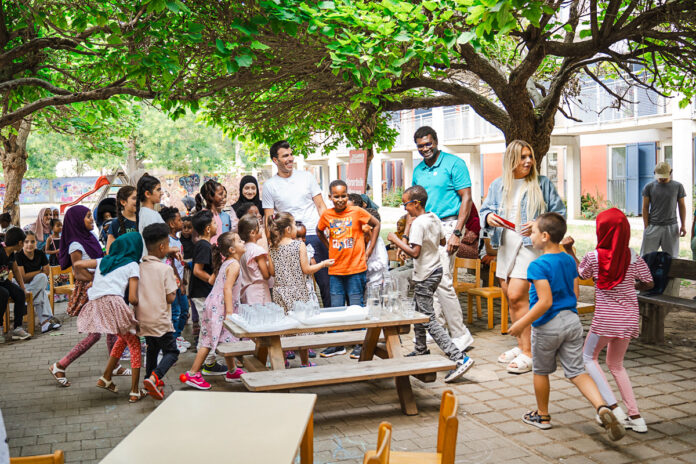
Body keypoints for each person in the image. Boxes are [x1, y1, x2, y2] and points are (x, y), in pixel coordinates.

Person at [507, 212, 625, 441]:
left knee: (541, 370)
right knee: (577, 371)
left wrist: (521, 323)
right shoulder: (568, 260)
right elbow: (575, 292)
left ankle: (542, 416)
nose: (529, 235)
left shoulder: (537, 265)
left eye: (532, 232)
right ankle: (602, 408)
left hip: (547, 325)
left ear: (544, 236)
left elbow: (545, 302)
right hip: (571, 321)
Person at [564, 208, 654, 433]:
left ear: (601, 231)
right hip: (629, 320)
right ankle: (636, 417)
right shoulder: (633, 256)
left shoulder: (594, 257)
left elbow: (581, 274)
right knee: (617, 365)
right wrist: (632, 285)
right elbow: (649, 282)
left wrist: (568, 249)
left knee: (588, 358)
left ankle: (614, 409)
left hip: (605, 321)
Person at [480, 139, 566, 374]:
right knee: (511, 297)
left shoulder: (542, 184)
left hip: (531, 247)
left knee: (519, 295)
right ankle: (522, 345)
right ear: (511, 160)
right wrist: (488, 218)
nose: (528, 161)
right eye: (523, 157)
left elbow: (559, 213)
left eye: (530, 156)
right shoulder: (498, 185)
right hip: (505, 245)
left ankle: (530, 353)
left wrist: (539, 223)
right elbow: (484, 209)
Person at [388, 185, 474, 383]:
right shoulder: (434, 217)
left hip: (426, 274)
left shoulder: (418, 224)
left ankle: (459, 357)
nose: (405, 209)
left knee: (427, 319)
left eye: (406, 205)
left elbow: (414, 253)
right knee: (419, 312)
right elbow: (443, 242)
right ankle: (420, 350)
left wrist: (395, 240)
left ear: (416, 203)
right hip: (436, 270)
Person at [410, 126, 475, 353]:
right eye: (420, 146)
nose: (425, 149)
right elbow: (413, 204)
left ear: (436, 142)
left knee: (443, 280)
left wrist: (458, 232)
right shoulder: (418, 170)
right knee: (430, 279)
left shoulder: (454, 163)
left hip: (448, 225)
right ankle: (435, 328)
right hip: (426, 225)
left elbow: (466, 198)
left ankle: (461, 334)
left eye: (428, 144)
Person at [48, 206, 129, 387]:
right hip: (90, 291)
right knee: (95, 335)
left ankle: (114, 365)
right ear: (77, 221)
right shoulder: (76, 244)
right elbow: (78, 271)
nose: (91, 219)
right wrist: (97, 279)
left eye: (90, 216)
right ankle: (60, 365)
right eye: (86, 217)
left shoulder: (89, 237)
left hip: (99, 287)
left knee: (111, 328)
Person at [263, 140, 331, 308]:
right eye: (285, 156)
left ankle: (333, 327)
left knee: (325, 281)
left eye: (291, 154)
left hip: (314, 234)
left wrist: (330, 230)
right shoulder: (270, 185)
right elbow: (269, 219)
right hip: (288, 239)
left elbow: (321, 206)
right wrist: (271, 243)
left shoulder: (307, 177)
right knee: (293, 283)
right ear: (275, 160)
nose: (290, 159)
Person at [77, 232, 144, 403]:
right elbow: (132, 298)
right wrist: (137, 311)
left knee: (122, 339)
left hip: (97, 304)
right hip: (114, 303)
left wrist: (94, 279)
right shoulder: (132, 264)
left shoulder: (102, 262)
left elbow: (78, 264)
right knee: (135, 344)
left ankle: (106, 377)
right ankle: (135, 391)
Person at [317, 180, 380, 358]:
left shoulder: (357, 212)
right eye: (336, 196)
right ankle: (337, 344)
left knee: (356, 307)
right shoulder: (327, 215)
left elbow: (376, 225)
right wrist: (328, 245)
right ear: (330, 197)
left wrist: (369, 250)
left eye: (343, 195)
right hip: (336, 269)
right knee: (336, 308)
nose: (340, 199)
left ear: (347, 195)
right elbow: (319, 231)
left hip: (356, 267)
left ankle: (361, 343)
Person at [179, 232, 247, 390]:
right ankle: (193, 373)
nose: (243, 241)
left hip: (216, 305)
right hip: (220, 307)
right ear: (231, 249)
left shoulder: (229, 262)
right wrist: (230, 313)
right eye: (239, 240)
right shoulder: (234, 265)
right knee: (209, 340)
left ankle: (231, 371)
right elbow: (227, 288)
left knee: (226, 337)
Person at [137, 223, 179, 400]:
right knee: (172, 352)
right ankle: (155, 377)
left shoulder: (138, 267)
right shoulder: (165, 269)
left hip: (143, 319)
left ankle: (147, 381)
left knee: (152, 349)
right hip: (160, 320)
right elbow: (170, 298)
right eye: (168, 244)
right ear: (162, 247)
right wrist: (175, 287)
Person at [268, 212, 334, 314]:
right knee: (302, 324)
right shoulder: (299, 245)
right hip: (298, 292)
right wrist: (323, 264)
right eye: (294, 224)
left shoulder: (272, 248)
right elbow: (306, 270)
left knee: (286, 324)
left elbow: (272, 272)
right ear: (288, 229)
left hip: (279, 293)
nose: (295, 227)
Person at [188, 210, 227, 375]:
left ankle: (209, 361)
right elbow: (197, 270)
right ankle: (208, 364)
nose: (216, 224)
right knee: (210, 327)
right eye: (213, 223)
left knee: (209, 327)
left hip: (203, 292)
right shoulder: (204, 246)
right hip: (202, 293)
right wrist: (211, 279)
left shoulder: (205, 244)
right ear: (207, 229)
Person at [15, 231, 60, 333]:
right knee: (42, 289)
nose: (29, 244)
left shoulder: (40, 253)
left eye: (32, 241)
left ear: (36, 242)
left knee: (42, 278)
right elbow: (23, 277)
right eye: (26, 242)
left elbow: (47, 272)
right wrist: (39, 272)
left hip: (35, 285)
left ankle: (27, 301)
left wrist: (38, 274)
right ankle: (45, 323)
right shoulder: (19, 255)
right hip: (21, 285)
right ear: (22, 243)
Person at [160, 206, 190, 353]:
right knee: (176, 311)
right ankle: (173, 339)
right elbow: (171, 264)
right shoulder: (168, 242)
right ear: (171, 224)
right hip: (172, 282)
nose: (182, 221)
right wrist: (179, 282)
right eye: (179, 220)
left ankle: (177, 336)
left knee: (184, 310)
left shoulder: (177, 240)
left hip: (179, 280)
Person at [640, 161, 686, 257]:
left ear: (670, 173)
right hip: (653, 226)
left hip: (671, 227)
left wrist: (683, 225)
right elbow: (645, 208)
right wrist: (646, 226)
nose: (662, 178)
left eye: (664, 175)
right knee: (646, 257)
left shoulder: (678, 186)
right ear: (655, 173)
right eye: (660, 175)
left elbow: (682, 206)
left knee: (673, 259)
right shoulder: (649, 187)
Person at [0, 228, 30, 341]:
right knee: (4, 293)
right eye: (24, 242)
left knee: (20, 293)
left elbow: (16, 271)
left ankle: (18, 328)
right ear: (20, 243)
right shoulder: (0, 251)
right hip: (1, 286)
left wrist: (23, 288)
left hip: (3, 281)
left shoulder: (12, 254)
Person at [237, 214, 272, 304]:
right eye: (260, 227)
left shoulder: (242, 250)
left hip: (245, 291)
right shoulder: (257, 251)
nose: (262, 229)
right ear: (252, 233)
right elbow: (266, 275)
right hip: (259, 291)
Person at [196, 178, 237, 244]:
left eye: (224, 196)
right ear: (210, 196)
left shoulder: (218, 215)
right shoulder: (205, 216)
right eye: (220, 194)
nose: (223, 198)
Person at [107, 186, 137, 253]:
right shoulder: (116, 223)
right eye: (134, 198)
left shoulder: (143, 219)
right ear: (123, 202)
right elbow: (109, 251)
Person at [364, 208, 389, 287]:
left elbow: (383, 263)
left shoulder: (378, 241)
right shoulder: (361, 239)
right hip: (365, 281)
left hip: (376, 282)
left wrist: (366, 266)